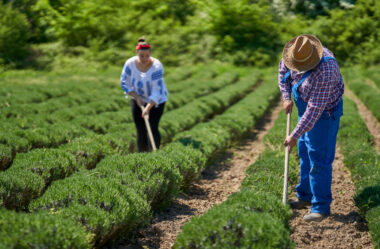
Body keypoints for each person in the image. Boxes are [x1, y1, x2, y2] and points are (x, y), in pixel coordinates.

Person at [279, 34, 344, 222]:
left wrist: (294, 135)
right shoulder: (294, 53)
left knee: (319, 158)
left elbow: (315, 110)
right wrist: (286, 97)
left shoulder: (326, 69)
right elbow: (283, 73)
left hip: (324, 113)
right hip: (304, 106)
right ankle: (305, 197)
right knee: (304, 153)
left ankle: (320, 207)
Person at [120, 37, 168, 152]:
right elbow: (124, 83)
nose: (145, 58)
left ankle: (154, 154)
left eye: (147, 56)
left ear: (150, 54)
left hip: (156, 101)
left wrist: (147, 108)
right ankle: (142, 155)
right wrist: (137, 97)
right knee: (140, 128)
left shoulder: (157, 66)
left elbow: (157, 89)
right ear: (137, 53)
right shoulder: (130, 64)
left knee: (152, 126)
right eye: (142, 56)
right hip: (137, 98)